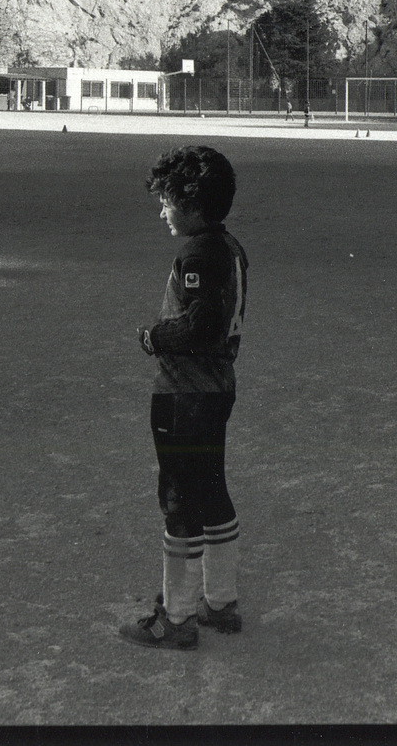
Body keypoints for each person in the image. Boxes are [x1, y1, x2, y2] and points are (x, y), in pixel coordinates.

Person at [119, 146, 249, 649]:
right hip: (218, 389)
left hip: (184, 394)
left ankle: (176, 618)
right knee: (213, 492)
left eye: (169, 200)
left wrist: (155, 337)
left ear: (192, 203)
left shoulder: (195, 255)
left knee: (178, 501)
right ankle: (221, 602)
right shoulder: (230, 247)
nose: (163, 210)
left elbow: (200, 326)